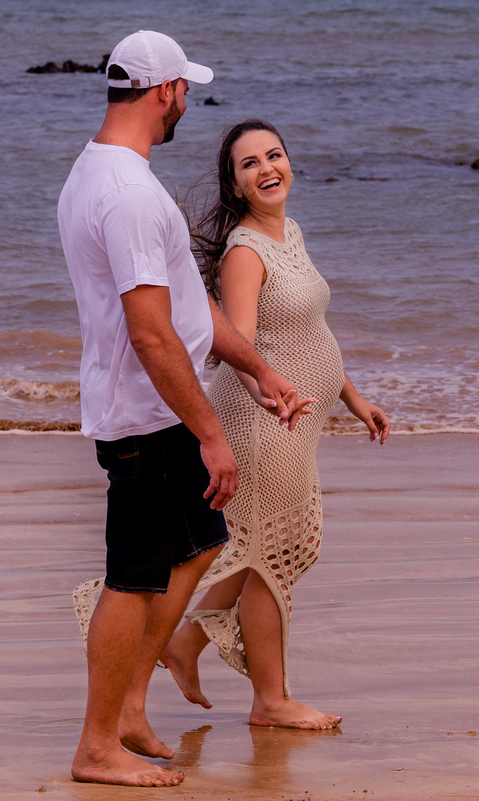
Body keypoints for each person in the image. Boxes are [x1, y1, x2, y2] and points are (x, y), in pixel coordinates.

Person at [58, 35, 309, 788]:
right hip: (145, 415)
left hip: (156, 408)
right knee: (131, 578)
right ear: (163, 90)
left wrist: (258, 367)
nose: (189, 104)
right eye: (185, 90)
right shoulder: (128, 193)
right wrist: (210, 431)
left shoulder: (105, 171)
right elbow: (151, 330)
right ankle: (97, 744)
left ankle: (129, 704)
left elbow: (187, 303)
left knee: (199, 543)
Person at [159, 118, 391, 729]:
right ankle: (270, 701)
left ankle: (184, 644)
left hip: (297, 422)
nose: (267, 169)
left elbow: (313, 331)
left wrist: (354, 398)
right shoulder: (245, 251)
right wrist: (266, 400)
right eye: (249, 164)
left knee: (262, 549)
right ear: (234, 185)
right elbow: (234, 342)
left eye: (275, 156)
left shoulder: (290, 233)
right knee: (270, 552)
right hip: (262, 423)